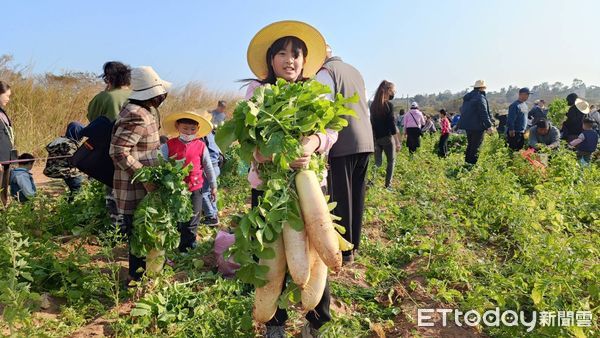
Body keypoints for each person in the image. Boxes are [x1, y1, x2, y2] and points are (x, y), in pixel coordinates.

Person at [244, 20, 333, 338]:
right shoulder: (257, 91)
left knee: (319, 252)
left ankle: (317, 321)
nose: (289, 60)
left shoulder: (315, 91)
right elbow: (248, 139)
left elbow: (331, 131)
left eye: (296, 54)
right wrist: (267, 155)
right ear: (270, 59)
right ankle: (274, 324)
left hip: (310, 185)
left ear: (304, 60)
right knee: (270, 260)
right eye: (281, 53)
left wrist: (312, 144)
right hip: (269, 189)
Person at [109, 66, 171, 281]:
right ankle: (137, 283)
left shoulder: (142, 110)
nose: (164, 96)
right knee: (138, 238)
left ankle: (145, 280)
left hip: (143, 187)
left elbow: (140, 145)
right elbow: (118, 151)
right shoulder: (136, 114)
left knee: (145, 236)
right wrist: (145, 176)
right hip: (135, 188)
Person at [316, 45, 374, 264]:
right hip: (365, 140)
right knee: (357, 194)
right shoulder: (354, 71)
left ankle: (345, 250)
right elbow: (365, 108)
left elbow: (323, 108)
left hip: (343, 141)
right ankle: (354, 245)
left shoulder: (326, 73)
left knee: (340, 196)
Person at [161, 111, 217, 252]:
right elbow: (160, 163)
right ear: (177, 127)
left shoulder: (200, 145)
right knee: (175, 218)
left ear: (197, 130)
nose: (188, 132)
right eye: (185, 128)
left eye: (192, 129)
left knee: (193, 218)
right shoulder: (169, 145)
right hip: (174, 190)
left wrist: (213, 186)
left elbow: (208, 167)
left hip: (195, 188)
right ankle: (170, 245)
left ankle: (187, 247)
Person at [88, 62, 132, 235]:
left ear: (108, 78)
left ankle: (116, 228)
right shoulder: (137, 96)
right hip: (136, 151)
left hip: (110, 150)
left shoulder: (104, 97)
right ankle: (131, 226)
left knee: (112, 188)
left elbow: (93, 119)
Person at [43, 122, 86, 201]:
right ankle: (74, 205)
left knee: (73, 189)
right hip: (66, 171)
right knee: (79, 188)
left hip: (52, 170)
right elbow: (74, 160)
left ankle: (69, 203)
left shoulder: (58, 140)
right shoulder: (70, 144)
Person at [369, 80, 399, 189]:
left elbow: (371, 123)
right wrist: (397, 141)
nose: (394, 93)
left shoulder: (373, 106)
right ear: (389, 91)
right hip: (387, 138)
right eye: (393, 91)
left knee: (377, 162)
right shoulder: (388, 105)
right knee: (391, 161)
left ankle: (371, 181)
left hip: (377, 138)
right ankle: (388, 186)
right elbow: (391, 124)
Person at [457, 80, 493, 165]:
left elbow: (462, 110)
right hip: (478, 126)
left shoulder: (468, 98)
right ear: (481, 88)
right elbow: (483, 112)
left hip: (468, 126)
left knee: (470, 145)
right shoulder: (480, 97)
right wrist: (489, 126)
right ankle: (471, 166)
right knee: (476, 147)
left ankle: (467, 163)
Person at [199, 111, 223, 226]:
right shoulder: (212, 133)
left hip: (209, 167)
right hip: (216, 165)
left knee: (203, 192)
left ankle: (211, 216)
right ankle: (214, 213)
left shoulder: (202, 136)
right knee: (210, 191)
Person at [0, 81, 15, 206]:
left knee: (4, 189)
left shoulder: (2, 112)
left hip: (6, 158)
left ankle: (4, 214)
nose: (8, 99)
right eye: (7, 95)